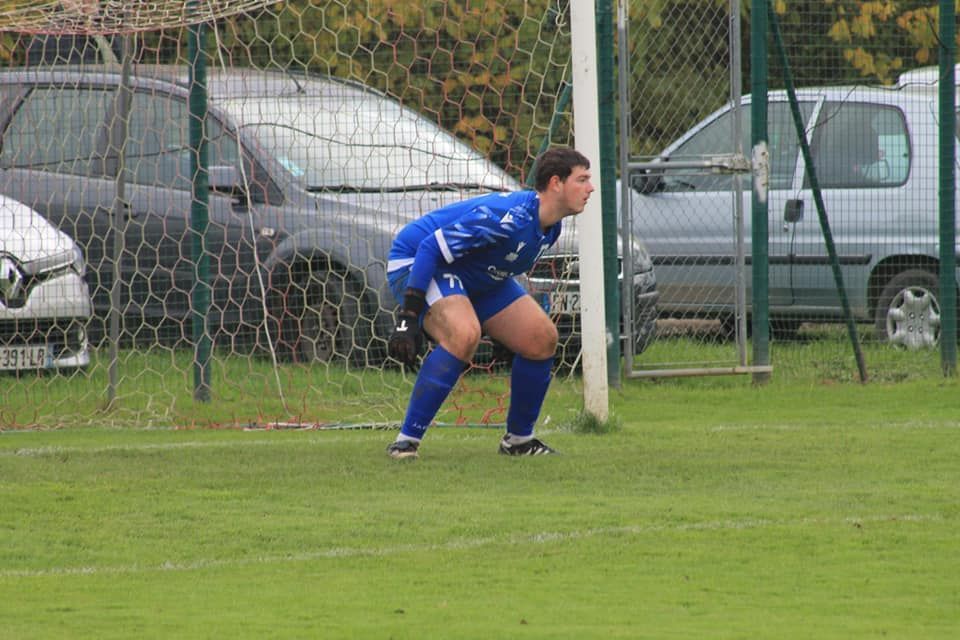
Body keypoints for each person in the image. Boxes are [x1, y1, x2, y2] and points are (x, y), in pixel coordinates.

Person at [385, 147, 594, 459]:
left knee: (541, 338)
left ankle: (519, 440)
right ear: (556, 183)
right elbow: (430, 248)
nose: (590, 188)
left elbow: (497, 263)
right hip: (418, 261)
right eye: (582, 179)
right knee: (464, 334)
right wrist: (409, 316)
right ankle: (406, 441)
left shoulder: (551, 228)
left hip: (473, 274)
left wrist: (505, 329)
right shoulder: (506, 219)